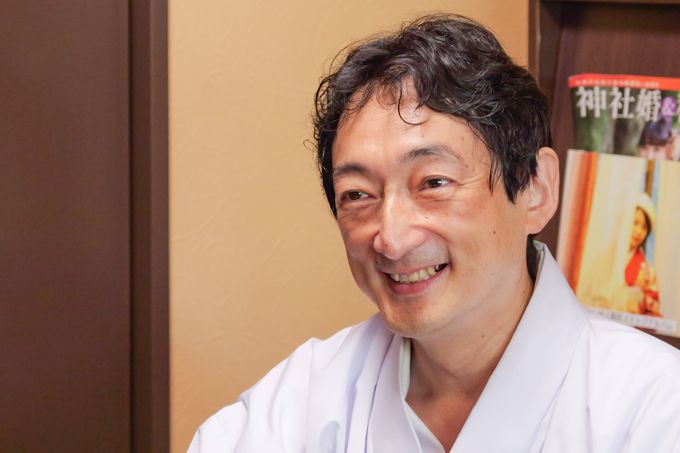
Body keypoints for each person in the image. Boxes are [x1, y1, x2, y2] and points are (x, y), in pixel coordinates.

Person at [189, 15, 680, 452]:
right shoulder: (304, 400)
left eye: (434, 183)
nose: (392, 238)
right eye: (358, 194)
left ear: (536, 189)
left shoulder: (654, 409)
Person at [623, 194, 661, 316]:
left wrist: (639, 306)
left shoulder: (648, 271)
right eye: (635, 223)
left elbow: (653, 311)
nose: (639, 231)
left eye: (644, 228)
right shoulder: (607, 257)